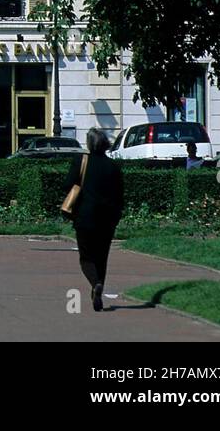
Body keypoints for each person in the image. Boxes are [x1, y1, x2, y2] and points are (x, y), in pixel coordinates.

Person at [64, 127, 124, 311]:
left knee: (86, 257)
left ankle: (95, 283)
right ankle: (98, 288)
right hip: (107, 219)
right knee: (101, 257)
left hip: (85, 217)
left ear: (90, 144)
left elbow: (68, 184)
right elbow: (120, 195)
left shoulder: (81, 161)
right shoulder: (113, 166)